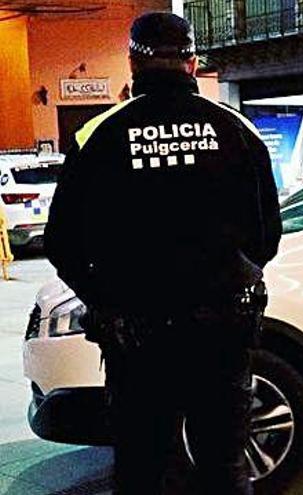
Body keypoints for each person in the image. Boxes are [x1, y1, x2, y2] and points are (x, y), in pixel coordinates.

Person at [45, 12, 281, 495]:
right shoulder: (237, 131)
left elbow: (61, 243)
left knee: (144, 467)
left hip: (138, 337)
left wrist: (108, 301)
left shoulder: (99, 136)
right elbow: (267, 238)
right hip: (222, 332)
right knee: (223, 466)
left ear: (133, 63)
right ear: (192, 64)